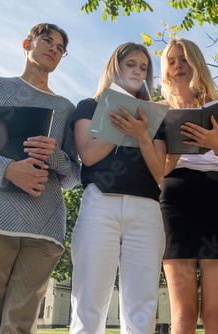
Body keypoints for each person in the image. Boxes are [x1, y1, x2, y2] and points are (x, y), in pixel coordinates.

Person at [0, 23, 80, 334]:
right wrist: (6, 169)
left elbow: (75, 175)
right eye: (47, 41)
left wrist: (54, 155)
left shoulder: (67, 109)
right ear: (27, 43)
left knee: (19, 324)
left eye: (60, 48)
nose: (53, 49)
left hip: (45, 227)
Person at [69, 42, 166, 333]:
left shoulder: (155, 117)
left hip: (147, 210)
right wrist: (124, 127)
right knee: (89, 300)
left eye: (144, 67)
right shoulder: (89, 106)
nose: (137, 71)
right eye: (131, 64)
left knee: (142, 303)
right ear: (116, 67)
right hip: (100, 203)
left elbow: (160, 172)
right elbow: (87, 154)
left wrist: (143, 134)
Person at [159, 38, 218, 333]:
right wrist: (178, 147)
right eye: (171, 61)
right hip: (175, 204)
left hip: (217, 202)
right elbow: (157, 172)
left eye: (184, 59)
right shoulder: (159, 109)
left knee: (215, 312)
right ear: (165, 69)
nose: (178, 66)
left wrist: (217, 144)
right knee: (183, 313)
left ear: (197, 63)